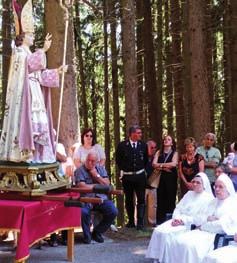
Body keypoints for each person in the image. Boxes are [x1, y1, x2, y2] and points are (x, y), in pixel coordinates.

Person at [0, 0, 67, 163]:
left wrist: (57, 71)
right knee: (30, 122)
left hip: (34, 93)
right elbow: (29, 66)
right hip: (24, 96)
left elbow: (39, 74)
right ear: (22, 36)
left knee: (40, 123)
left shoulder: (28, 52)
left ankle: (39, 156)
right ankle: (25, 153)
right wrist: (43, 50)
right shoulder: (19, 53)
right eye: (30, 35)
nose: (33, 37)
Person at [168, 173, 237, 263]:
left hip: (213, 236)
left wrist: (203, 225)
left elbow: (221, 226)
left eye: (220, 187)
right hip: (201, 232)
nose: (217, 189)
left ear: (228, 188)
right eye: (215, 186)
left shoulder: (232, 204)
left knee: (190, 247)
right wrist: (208, 219)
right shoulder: (213, 202)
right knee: (177, 241)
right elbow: (199, 217)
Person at [146, 172, 214, 263]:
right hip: (177, 220)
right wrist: (176, 218)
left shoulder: (208, 199)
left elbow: (201, 218)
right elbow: (178, 208)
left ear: (204, 184)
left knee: (168, 234)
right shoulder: (189, 194)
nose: (194, 184)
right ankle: (157, 257)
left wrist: (182, 221)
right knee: (159, 230)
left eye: (198, 183)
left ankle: (167, 259)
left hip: (189, 224)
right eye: (193, 182)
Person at [74, 151, 118, 244]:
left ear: (97, 162)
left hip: (101, 198)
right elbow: (82, 186)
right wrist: (97, 186)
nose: (90, 163)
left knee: (113, 211)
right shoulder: (79, 170)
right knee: (84, 212)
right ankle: (87, 236)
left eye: (93, 161)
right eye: (88, 160)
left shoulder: (101, 169)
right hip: (86, 199)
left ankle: (97, 232)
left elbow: (107, 185)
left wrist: (97, 176)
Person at [116, 125, 148, 230]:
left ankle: (140, 222)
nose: (140, 135)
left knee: (141, 199)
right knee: (129, 199)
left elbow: (146, 160)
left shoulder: (143, 145)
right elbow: (118, 161)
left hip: (140, 176)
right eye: (138, 133)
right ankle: (130, 221)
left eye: (140, 133)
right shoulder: (122, 145)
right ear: (132, 134)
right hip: (128, 177)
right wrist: (125, 170)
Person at [152, 135, 178, 224]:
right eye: (165, 139)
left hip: (171, 178)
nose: (166, 141)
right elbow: (154, 164)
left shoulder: (175, 153)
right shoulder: (159, 152)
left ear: (172, 143)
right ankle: (160, 222)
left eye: (169, 139)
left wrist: (160, 165)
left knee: (170, 198)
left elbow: (174, 164)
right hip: (161, 177)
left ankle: (170, 221)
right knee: (160, 198)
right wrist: (164, 166)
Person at [145, 139, 157, 226]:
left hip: (153, 185)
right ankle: (138, 222)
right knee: (139, 204)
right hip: (142, 186)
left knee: (153, 206)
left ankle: (152, 223)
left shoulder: (156, 158)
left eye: (155, 148)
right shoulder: (141, 157)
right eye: (151, 147)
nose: (153, 149)